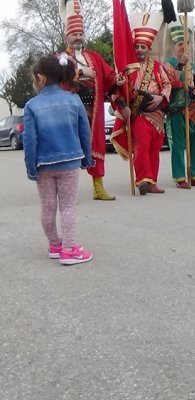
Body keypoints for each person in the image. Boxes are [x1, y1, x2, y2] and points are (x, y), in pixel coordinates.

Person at [23, 54, 94, 265]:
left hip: (44, 165)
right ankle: (69, 249)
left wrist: (31, 168)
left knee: (47, 207)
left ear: (40, 77)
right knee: (68, 207)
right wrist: (86, 159)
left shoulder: (31, 106)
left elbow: (29, 140)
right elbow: (85, 132)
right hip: (70, 162)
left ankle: (55, 245)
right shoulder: (73, 99)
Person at [61, 0, 120, 200]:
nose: (77, 37)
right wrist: (78, 72)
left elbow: (109, 76)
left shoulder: (94, 57)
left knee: (96, 147)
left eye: (80, 34)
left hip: (93, 111)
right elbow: (57, 79)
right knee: (70, 149)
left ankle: (98, 188)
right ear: (67, 36)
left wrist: (118, 80)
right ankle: (67, 192)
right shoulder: (60, 58)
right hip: (70, 111)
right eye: (74, 34)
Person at [111, 12, 172, 195]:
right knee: (143, 145)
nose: (139, 50)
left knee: (155, 147)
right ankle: (142, 180)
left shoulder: (156, 66)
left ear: (148, 48)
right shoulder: (127, 67)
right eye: (137, 46)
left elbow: (167, 83)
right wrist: (123, 104)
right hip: (139, 113)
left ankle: (152, 181)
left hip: (158, 113)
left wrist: (161, 97)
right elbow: (115, 89)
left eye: (143, 47)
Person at [164, 17, 195, 189]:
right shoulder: (169, 63)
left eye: (186, 43)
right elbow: (171, 83)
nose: (183, 46)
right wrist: (181, 65)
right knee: (178, 145)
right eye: (180, 43)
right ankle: (180, 177)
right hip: (177, 110)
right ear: (174, 46)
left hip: (194, 110)